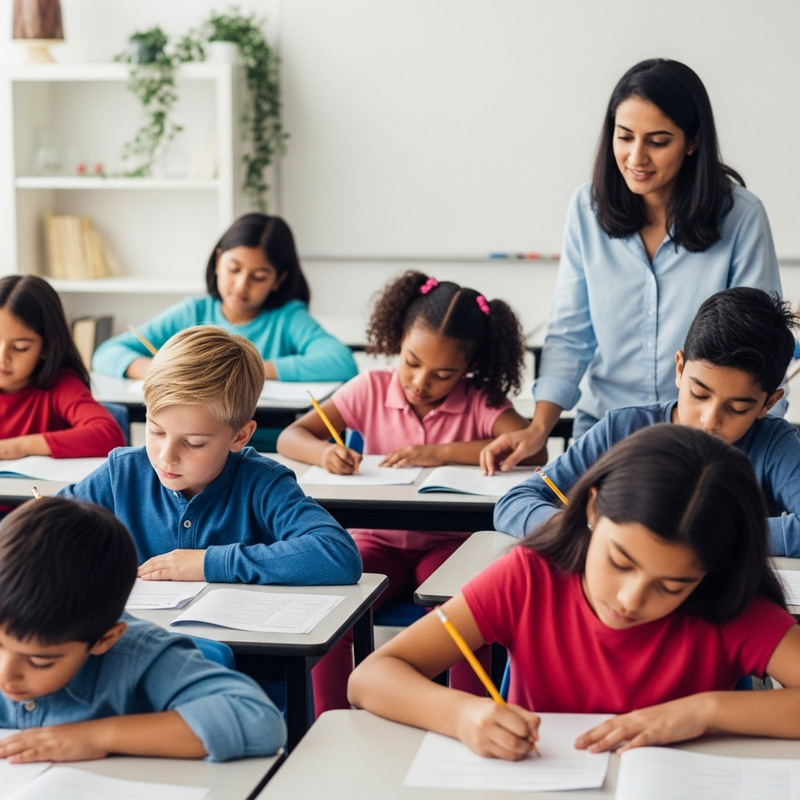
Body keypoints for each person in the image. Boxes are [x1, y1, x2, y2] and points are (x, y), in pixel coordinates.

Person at [349, 425, 800, 760]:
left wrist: (705, 710)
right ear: (591, 507)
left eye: (672, 586)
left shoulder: (725, 604)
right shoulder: (529, 578)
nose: (629, 599)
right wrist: (463, 715)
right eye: (620, 562)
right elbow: (370, 678)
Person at [481, 58, 781, 475]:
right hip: (609, 433)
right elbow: (571, 334)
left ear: (692, 141)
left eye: (658, 141)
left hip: (709, 440)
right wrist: (538, 428)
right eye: (625, 137)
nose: (636, 157)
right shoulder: (586, 209)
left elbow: (757, 343)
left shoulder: (741, 216)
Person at [277, 270, 547, 714]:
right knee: (329, 602)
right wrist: (325, 453)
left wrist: (440, 452)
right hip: (376, 539)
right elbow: (292, 437)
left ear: (469, 368)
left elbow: (523, 444)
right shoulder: (369, 388)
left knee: (463, 611)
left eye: (443, 374)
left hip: (449, 544)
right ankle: (332, 720)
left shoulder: (480, 399)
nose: (422, 382)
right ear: (398, 340)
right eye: (412, 362)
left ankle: (468, 718)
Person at [495, 287, 800, 556]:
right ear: (679, 368)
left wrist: (701, 534)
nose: (710, 421)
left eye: (736, 408)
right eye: (698, 394)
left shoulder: (776, 444)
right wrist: (573, 527)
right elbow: (515, 501)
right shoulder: (621, 430)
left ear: (769, 403)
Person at [58, 326, 362, 585]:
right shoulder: (121, 474)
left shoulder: (262, 484)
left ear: (240, 435)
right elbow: (40, 530)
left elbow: (337, 554)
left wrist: (207, 564)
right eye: (156, 431)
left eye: (193, 443)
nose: (167, 456)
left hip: (241, 649)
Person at [0, 497, 285, 763]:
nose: (6, 674)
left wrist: (97, 736)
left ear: (105, 639)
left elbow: (259, 722)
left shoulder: (137, 655)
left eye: (40, 661)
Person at [92, 213, 357, 384]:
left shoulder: (287, 318)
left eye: (260, 276)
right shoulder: (192, 313)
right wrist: (165, 371)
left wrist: (245, 371)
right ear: (218, 261)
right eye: (234, 269)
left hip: (267, 445)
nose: (242, 285)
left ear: (279, 280)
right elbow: (106, 353)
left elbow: (341, 362)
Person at [0, 275, 125, 460]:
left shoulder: (61, 386)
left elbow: (109, 435)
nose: (3, 358)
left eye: (20, 347)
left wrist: (19, 446)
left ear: (46, 347)